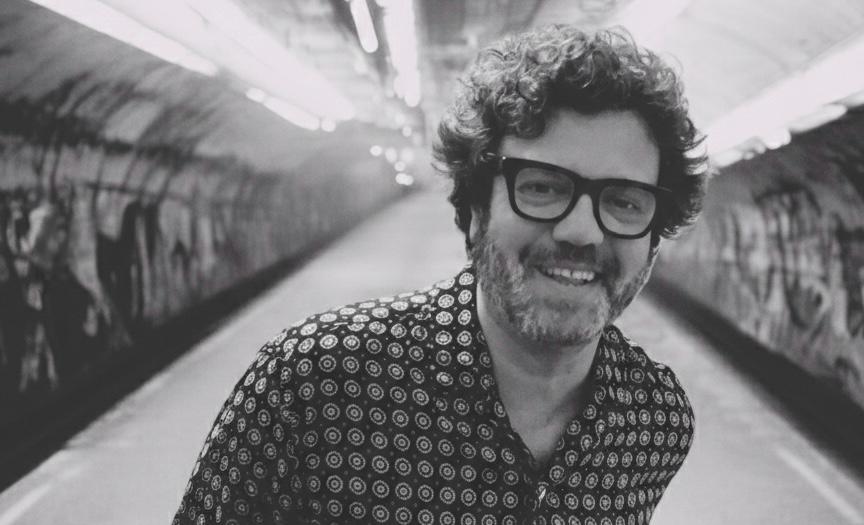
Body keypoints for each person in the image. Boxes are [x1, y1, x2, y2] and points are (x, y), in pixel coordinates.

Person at [173, 24, 707, 525]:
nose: (582, 231)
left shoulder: (654, 420)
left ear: (654, 238)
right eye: (543, 188)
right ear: (476, 211)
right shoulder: (316, 383)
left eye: (624, 201)